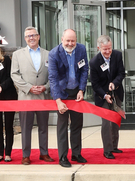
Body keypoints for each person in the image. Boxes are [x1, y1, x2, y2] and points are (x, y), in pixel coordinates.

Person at [11, 27, 54, 165]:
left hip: (43, 97)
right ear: (25, 39)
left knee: (43, 127)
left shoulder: (48, 54)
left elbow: (53, 75)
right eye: (28, 36)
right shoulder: (18, 55)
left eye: (33, 35)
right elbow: (14, 75)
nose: (31, 38)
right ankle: (25, 155)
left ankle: (44, 153)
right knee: (26, 128)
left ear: (38, 36)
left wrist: (45, 87)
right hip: (26, 97)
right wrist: (29, 88)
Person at [49, 29, 89, 168]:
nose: (70, 43)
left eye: (73, 41)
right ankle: (63, 157)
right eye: (68, 40)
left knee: (77, 124)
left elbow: (84, 70)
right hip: (62, 94)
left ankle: (76, 153)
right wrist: (58, 100)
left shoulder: (81, 49)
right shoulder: (54, 54)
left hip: (76, 92)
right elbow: (53, 79)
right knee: (62, 126)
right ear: (62, 39)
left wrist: (81, 89)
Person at [89, 35, 125, 159]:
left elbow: (121, 73)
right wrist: (105, 95)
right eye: (105, 49)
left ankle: (114, 146)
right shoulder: (94, 62)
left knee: (115, 121)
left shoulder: (118, 55)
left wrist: (114, 83)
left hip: (116, 92)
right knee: (106, 123)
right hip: (102, 96)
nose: (108, 51)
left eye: (109, 48)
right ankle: (107, 150)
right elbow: (95, 84)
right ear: (99, 48)